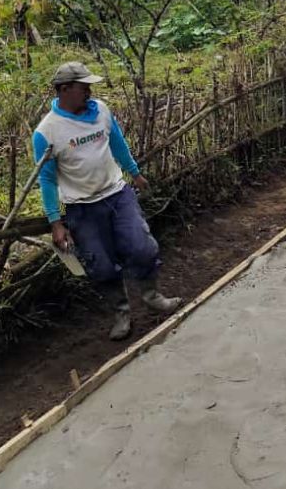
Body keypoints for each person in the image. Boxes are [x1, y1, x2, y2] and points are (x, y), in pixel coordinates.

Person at [33, 62, 181, 342]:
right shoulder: (47, 132)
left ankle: (152, 296)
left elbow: (117, 144)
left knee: (142, 247)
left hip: (117, 193)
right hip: (82, 206)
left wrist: (135, 173)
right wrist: (55, 222)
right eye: (83, 87)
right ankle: (121, 313)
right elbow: (48, 179)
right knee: (100, 264)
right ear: (64, 89)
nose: (89, 91)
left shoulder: (101, 110)